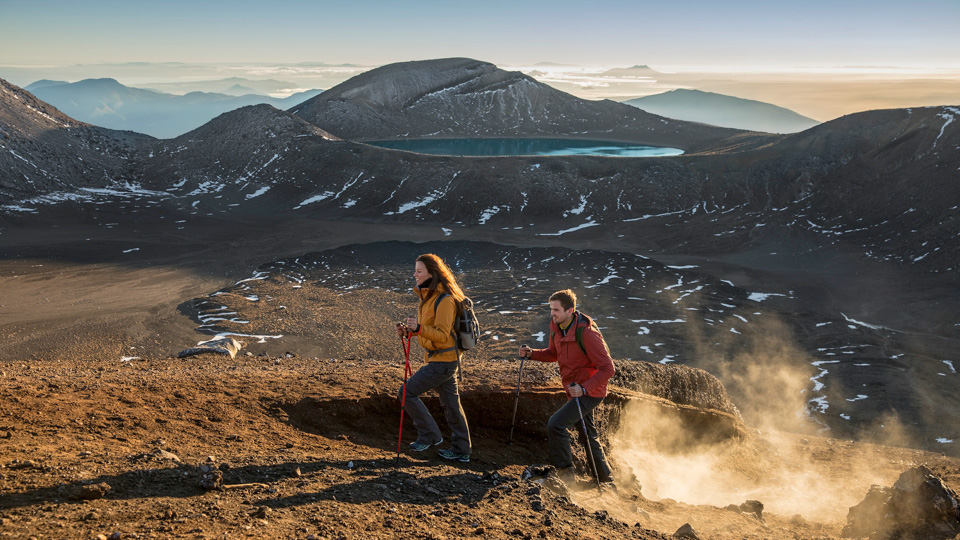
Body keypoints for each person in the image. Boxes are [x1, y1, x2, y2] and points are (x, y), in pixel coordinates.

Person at [519, 289, 614, 483]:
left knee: (556, 424)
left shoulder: (587, 333)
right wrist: (532, 353)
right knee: (588, 434)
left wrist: (584, 389)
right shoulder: (557, 327)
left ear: (570, 310)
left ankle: (565, 476)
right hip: (575, 391)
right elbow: (554, 354)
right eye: (551, 309)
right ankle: (604, 478)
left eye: (556, 310)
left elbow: (608, 369)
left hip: (590, 392)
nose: (552, 314)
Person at [395, 253, 472, 463]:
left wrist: (418, 328)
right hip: (442, 360)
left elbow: (442, 336)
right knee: (451, 405)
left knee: (406, 393)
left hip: (443, 362)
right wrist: (410, 332)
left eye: (419, 271)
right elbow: (428, 331)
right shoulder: (428, 299)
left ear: (432, 273)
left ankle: (430, 436)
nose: (415, 275)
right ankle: (461, 450)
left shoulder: (445, 300)